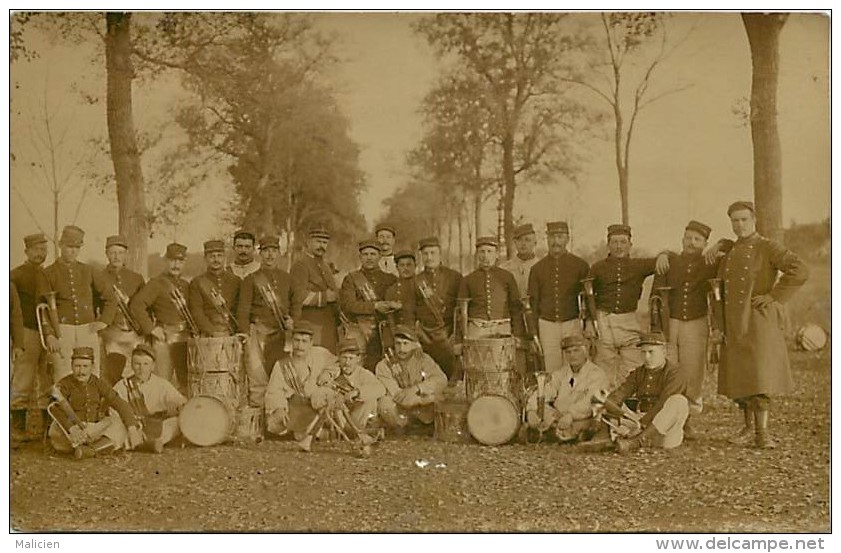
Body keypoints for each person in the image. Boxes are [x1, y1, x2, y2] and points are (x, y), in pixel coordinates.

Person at [714, 201, 808, 449]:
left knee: (759, 376)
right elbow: (718, 290)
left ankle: (762, 433)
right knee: (739, 377)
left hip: (757, 321)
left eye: (744, 219)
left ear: (753, 219)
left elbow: (799, 270)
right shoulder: (731, 251)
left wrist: (775, 296)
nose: (739, 225)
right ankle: (747, 428)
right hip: (734, 322)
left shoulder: (767, 246)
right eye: (735, 220)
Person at [651, 220, 720, 437]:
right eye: (688, 238)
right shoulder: (669, 260)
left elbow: (731, 248)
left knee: (692, 371)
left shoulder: (711, 262)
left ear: (705, 243)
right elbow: (655, 296)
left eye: (697, 239)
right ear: (682, 239)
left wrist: (721, 245)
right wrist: (656, 328)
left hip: (696, 322)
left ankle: (686, 420)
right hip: (670, 322)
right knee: (669, 369)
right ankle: (666, 418)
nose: (692, 242)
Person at [586, 224, 668, 389]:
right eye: (614, 242)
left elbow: (664, 259)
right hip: (604, 321)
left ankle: (627, 406)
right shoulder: (597, 267)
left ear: (630, 244)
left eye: (623, 242)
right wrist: (590, 321)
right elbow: (588, 296)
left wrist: (664, 255)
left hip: (629, 320)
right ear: (608, 244)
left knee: (633, 365)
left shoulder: (638, 265)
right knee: (603, 368)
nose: (619, 246)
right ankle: (602, 407)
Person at [43, 225, 114, 381]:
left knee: (91, 371)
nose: (73, 251)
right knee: (62, 372)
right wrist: (49, 334)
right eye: (69, 246)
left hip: (86, 329)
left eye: (77, 247)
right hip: (61, 329)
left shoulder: (88, 270)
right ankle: (64, 405)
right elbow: (42, 308)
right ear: (60, 245)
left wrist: (103, 321)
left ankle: (91, 404)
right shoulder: (48, 273)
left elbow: (110, 297)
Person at [47, 347, 142, 459]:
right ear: (72, 366)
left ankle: (89, 451)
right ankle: (98, 448)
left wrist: (132, 427)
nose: (81, 371)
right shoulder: (64, 384)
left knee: (117, 421)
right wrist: (71, 428)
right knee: (55, 429)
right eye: (77, 366)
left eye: (85, 366)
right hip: (70, 431)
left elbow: (118, 402)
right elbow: (54, 408)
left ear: (92, 367)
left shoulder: (98, 383)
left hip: (93, 429)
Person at [603, 332, 690, 454]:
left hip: (664, 430)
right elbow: (622, 392)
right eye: (643, 353)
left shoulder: (675, 373)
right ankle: (614, 437)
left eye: (651, 352)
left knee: (678, 401)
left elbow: (663, 403)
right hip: (638, 420)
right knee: (604, 401)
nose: (647, 357)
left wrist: (642, 425)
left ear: (664, 352)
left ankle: (637, 442)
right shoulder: (639, 372)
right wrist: (609, 404)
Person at [237, 235, 294, 407]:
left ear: (279, 253)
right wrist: (245, 334)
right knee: (257, 379)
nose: (270, 255)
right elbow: (243, 310)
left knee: (279, 377)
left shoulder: (287, 279)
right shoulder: (251, 280)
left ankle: (278, 423)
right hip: (257, 333)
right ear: (260, 253)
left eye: (274, 250)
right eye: (266, 251)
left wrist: (293, 321)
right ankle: (258, 426)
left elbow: (295, 305)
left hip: (281, 335)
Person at [527, 221, 590, 373]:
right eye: (552, 237)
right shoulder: (537, 269)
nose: (556, 241)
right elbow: (533, 304)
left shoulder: (580, 265)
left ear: (567, 239)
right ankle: (555, 396)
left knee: (575, 365)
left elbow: (588, 298)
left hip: (572, 322)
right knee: (552, 367)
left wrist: (587, 323)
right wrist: (533, 333)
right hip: (547, 324)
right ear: (547, 239)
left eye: (560, 237)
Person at [9, 233, 53, 444]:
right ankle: (17, 429)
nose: (40, 253)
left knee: (47, 378)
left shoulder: (49, 274)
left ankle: (46, 430)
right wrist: (16, 341)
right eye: (36, 249)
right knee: (23, 378)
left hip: (49, 334)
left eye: (43, 249)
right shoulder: (14, 275)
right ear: (26, 251)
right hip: (26, 332)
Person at [129, 243, 192, 391]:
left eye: (180, 261)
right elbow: (137, 305)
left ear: (184, 263)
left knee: (185, 381)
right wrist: (151, 328)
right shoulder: (156, 283)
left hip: (184, 338)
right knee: (162, 380)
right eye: (172, 260)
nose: (176, 265)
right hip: (164, 338)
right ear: (165, 261)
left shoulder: (185, 285)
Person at [524, 334, 609, 443]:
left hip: (581, 417)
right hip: (559, 416)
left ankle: (555, 432)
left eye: (576, 351)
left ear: (585, 352)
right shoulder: (560, 374)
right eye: (568, 352)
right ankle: (556, 431)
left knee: (590, 420)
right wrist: (531, 410)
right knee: (543, 409)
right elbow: (544, 392)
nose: (572, 355)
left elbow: (591, 401)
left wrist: (571, 415)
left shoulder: (597, 374)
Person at [264, 321, 337, 438]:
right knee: (274, 423)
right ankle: (314, 432)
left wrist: (327, 374)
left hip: (318, 405)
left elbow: (337, 365)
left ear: (311, 343)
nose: (299, 346)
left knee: (326, 396)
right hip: (296, 407)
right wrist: (279, 408)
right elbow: (273, 391)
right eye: (297, 340)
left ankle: (314, 431)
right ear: (291, 341)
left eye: (304, 341)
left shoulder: (321, 354)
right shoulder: (282, 365)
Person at [112, 344, 187, 453]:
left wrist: (180, 406)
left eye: (146, 364)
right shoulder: (122, 385)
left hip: (156, 426)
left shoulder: (162, 384)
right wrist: (132, 427)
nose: (141, 369)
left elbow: (179, 401)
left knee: (177, 422)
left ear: (153, 366)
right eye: (137, 364)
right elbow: (114, 411)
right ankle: (147, 444)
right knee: (116, 427)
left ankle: (144, 444)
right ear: (132, 365)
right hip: (132, 427)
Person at [339, 239, 398, 370]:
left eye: (373, 254)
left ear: (380, 256)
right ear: (360, 257)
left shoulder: (390, 279)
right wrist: (375, 306)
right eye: (365, 254)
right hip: (360, 332)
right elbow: (349, 305)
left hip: (384, 333)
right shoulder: (351, 279)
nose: (369, 258)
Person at [376, 325, 447, 433]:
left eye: (406, 344)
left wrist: (417, 389)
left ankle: (424, 425)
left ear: (414, 345)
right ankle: (404, 427)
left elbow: (441, 380)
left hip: (421, 404)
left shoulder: (423, 359)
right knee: (384, 403)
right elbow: (398, 396)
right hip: (401, 409)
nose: (401, 349)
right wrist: (414, 398)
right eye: (398, 344)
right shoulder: (384, 365)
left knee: (440, 396)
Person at [95, 235, 145, 385]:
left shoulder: (136, 278)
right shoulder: (99, 276)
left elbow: (144, 307)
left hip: (134, 333)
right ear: (106, 254)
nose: (117, 257)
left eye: (120, 252)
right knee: (112, 373)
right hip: (111, 333)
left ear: (126, 254)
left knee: (136, 372)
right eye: (113, 252)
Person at [457, 236, 524, 339]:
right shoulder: (468, 279)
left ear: (496, 254)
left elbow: (515, 306)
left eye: (489, 251)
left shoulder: (507, 277)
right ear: (477, 255)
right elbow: (461, 312)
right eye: (482, 252)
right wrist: (460, 339)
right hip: (477, 328)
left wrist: (517, 333)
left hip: (502, 327)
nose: (485, 256)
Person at [315, 337, 386, 432]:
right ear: (338, 357)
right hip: (337, 416)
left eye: (351, 358)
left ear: (358, 359)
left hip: (357, 417)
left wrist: (357, 392)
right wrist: (331, 393)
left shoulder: (364, 374)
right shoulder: (332, 371)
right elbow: (318, 394)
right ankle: (345, 431)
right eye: (344, 358)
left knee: (370, 401)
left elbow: (381, 389)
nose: (347, 363)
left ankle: (352, 431)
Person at [415, 236, 462, 379]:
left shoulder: (454, 277)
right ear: (421, 256)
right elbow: (412, 310)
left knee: (451, 373)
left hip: (448, 333)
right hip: (425, 336)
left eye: (432, 253)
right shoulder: (417, 280)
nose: (429, 257)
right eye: (425, 254)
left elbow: (461, 308)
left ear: (440, 254)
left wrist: (458, 335)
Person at [290, 227, 340, 353]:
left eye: (324, 242)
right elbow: (297, 296)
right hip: (311, 323)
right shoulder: (300, 264)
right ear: (308, 242)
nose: (321, 246)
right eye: (318, 241)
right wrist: (324, 297)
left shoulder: (325, 265)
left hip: (328, 324)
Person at [188, 240, 241, 337]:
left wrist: (236, 330)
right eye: (212, 256)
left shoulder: (235, 281)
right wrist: (211, 331)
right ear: (205, 259)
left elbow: (239, 310)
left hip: (232, 333)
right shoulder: (197, 282)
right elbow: (197, 311)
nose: (216, 260)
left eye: (219, 256)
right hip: (208, 335)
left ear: (225, 258)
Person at [500, 223, 540, 298]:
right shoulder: (505, 268)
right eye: (519, 240)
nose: (523, 244)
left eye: (527, 240)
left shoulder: (542, 267)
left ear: (535, 243)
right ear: (515, 242)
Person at [384, 249, 418, 326]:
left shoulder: (422, 286)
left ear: (415, 266)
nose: (405, 268)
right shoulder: (391, 290)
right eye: (402, 265)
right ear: (397, 267)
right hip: (398, 332)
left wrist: (402, 306)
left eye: (409, 265)